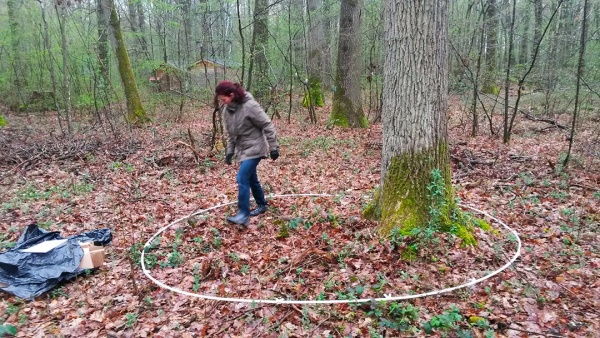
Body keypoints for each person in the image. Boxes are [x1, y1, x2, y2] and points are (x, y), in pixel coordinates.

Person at [214, 80, 279, 227]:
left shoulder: (250, 106)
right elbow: (231, 134)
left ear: (231, 95)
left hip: (255, 147)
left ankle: (243, 214)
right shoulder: (227, 111)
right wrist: (230, 152)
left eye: (224, 99)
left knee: (242, 177)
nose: (223, 103)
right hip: (242, 150)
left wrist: (273, 147)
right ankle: (262, 204)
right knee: (250, 178)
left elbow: (267, 124)